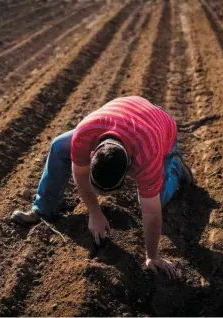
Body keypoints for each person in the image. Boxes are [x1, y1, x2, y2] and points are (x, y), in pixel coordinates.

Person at [11, 96, 194, 278]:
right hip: (121, 115)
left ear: (131, 169)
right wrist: (94, 212)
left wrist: (152, 256)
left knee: (157, 198)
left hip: (158, 124)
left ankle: (176, 168)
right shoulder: (85, 134)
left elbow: (151, 213)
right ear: (92, 155)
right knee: (59, 146)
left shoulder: (146, 154)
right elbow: (80, 173)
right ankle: (43, 208)